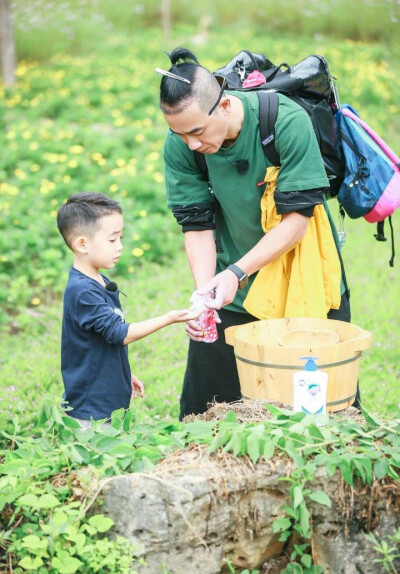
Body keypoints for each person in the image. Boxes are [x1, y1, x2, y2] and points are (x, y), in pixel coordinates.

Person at [157, 47, 357, 420]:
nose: (192, 144)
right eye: (180, 134)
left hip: (305, 278)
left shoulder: (285, 121)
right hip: (234, 296)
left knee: (322, 411)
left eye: (198, 131)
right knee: (208, 414)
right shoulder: (182, 144)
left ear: (226, 105)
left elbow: (297, 220)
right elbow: (196, 224)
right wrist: (206, 296)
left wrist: (235, 273)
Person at [57, 191, 201, 427]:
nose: (120, 247)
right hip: (91, 411)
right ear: (82, 244)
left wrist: (122, 375)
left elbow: (101, 342)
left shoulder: (98, 281)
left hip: (105, 398)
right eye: (112, 240)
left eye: (120, 237)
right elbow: (119, 333)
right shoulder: (83, 292)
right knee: (97, 459)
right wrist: (169, 318)